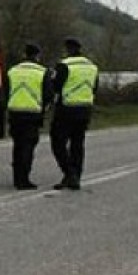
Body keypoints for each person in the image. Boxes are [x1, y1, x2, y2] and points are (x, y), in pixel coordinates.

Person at [49, 37, 98, 191]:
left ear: (67, 49)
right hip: (85, 109)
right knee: (78, 144)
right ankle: (75, 175)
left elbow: (55, 87)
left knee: (58, 143)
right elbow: (94, 88)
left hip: (66, 109)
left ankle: (70, 174)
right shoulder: (92, 66)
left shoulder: (64, 65)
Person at [5, 43, 51, 190]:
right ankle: (24, 180)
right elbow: (48, 95)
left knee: (17, 146)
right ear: (37, 56)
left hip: (14, 114)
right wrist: (43, 108)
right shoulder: (42, 72)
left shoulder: (12, 71)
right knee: (28, 147)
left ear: (24, 55)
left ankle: (16, 177)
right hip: (32, 115)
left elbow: (5, 92)